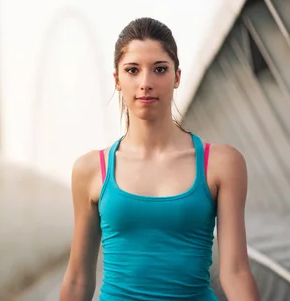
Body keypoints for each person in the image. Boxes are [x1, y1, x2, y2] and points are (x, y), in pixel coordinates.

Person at [59, 17, 260, 301]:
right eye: (132, 70)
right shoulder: (91, 170)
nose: (145, 83)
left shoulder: (221, 163)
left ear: (177, 76)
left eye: (159, 70)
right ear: (117, 80)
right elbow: (78, 279)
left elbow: (236, 272)